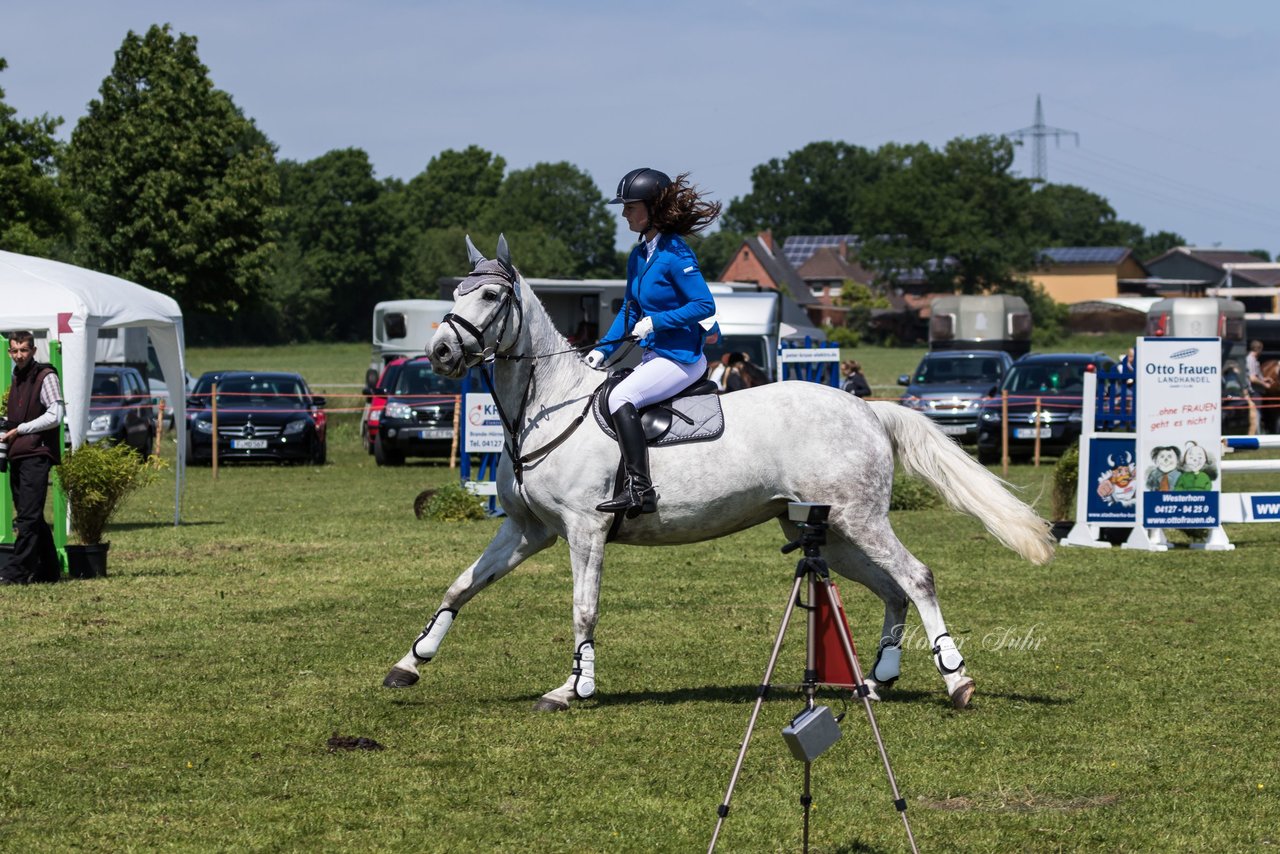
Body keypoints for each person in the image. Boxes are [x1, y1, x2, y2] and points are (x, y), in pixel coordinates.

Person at [586, 168, 721, 516]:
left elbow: (704, 305)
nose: (624, 213)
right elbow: (630, 311)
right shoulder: (639, 255)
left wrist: (657, 321)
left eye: (630, 207)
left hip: (682, 357)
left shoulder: (676, 253)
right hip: (655, 355)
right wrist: (602, 351)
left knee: (622, 396)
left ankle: (639, 490)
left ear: (652, 209)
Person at [1, 331, 65, 585]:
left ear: (34, 351)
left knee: (27, 516)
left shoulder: (45, 376)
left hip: (36, 454)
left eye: (24, 350)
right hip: (19, 453)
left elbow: (56, 415)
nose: (19, 355)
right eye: (15, 351)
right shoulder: (17, 376)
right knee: (32, 515)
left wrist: (22, 429)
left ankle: (17, 572)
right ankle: (49, 570)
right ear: (9, 352)